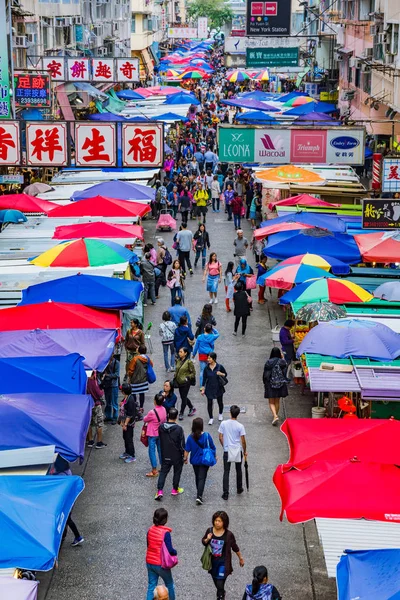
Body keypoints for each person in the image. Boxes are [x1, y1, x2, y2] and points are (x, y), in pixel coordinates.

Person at [202, 511, 244, 600]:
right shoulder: (209, 531)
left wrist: (240, 558)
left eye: (219, 521)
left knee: (220, 583)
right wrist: (207, 539)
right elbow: (204, 542)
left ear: (224, 522)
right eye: (216, 520)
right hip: (212, 563)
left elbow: (235, 547)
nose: (217, 523)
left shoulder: (229, 535)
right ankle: (221, 592)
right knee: (216, 581)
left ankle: (220, 597)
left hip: (223, 563)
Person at [49, 455, 84, 547]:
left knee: (66, 519)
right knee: (67, 519)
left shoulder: (61, 475)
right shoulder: (67, 471)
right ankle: (76, 536)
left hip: (64, 501)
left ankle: (77, 536)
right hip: (69, 500)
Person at [146, 508, 177, 600]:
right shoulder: (165, 533)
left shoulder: (150, 530)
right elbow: (170, 550)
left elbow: (148, 545)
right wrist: (175, 552)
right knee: (169, 584)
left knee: (151, 586)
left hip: (150, 562)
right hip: (161, 564)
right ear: (165, 520)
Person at [184, 417, 217, 504]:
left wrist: (185, 458)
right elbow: (212, 447)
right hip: (205, 460)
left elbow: (187, 449)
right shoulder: (206, 435)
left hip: (195, 461)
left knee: (197, 476)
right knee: (202, 477)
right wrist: (215, 456)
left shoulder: (190, 437)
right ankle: (199, 496)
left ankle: (199, 492)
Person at [155, 407, 185, 500]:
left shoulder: (161, 427)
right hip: (177, 455)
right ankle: (174, 489)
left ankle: (160, 491)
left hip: (165, 454)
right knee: (177, 472)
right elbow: (182, 444)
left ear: (168, 416)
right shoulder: (179, 429)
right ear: (176, 417)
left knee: (163, 472)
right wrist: (184, 455)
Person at [218, 405, 247, 500]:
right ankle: (239, 488)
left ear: (230, 412)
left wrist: (224, 446)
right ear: (238, 414)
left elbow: (220, 437)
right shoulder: (240, 426)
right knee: (238, 470)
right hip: (237, 450)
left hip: (227, 450)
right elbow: (243, 440)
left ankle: (225, 493)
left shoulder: (224, 423)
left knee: (226, 471)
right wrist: (245, 451)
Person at [144, 393, 167, 478]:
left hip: (152, 434)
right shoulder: (164, 409)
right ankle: (163, 466)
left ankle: (154, 470)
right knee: (160, 450)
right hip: (160, 433)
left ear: (155, 401)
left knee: (152, 451)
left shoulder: (152, 412)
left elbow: (145, 419)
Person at [263, 347, 288, 426]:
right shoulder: (282, 362)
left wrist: (265, 382)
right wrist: (282, 357)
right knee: (277, 401)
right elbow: (285, 368)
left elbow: (265, 374)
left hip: (271, 384)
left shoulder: (268, 362)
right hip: (280, 383)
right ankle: (275, 415)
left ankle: (275, 416)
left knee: (271, 402)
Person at [201, 352, 227, 425]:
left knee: (220, 401)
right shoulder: (206, 368)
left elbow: (225, 374)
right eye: (208, 358)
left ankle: (220, 414)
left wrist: (221, 373)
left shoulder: (219, 367)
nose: (208, 359)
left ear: (214, 359)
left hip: (218, 387)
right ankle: (211, 417)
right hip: (209, 387)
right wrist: (203, 388)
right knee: (209, 403)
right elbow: (204, 379)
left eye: (209, 358)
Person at [128, 345, 153, 410]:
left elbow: (131, 370)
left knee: (134, 393)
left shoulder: (135, 359)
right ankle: (141, 407)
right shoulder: (147, 358)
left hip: (135, 380)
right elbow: (151, 365)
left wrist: (129, 377)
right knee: (142, 394)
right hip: (144, 379)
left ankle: (135, 406)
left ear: (139, 351)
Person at [174, 347, 196, 420]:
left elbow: (193, 373)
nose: (179, 353)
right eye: (179, 352)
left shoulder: (189, 362)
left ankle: (181, 413)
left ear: (185, 353)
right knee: (183, 396)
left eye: (181, 352)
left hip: (186, 383)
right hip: (179, 382)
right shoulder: (178, 360)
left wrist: (187, 377)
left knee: (183, 398)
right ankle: (191, 407)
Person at [119, 382, 138, 463]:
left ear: (123, 391)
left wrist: (125, 424)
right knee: (125, 437)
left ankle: (132, 455)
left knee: (129, 439)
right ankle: (127, 452)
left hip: (129, 424)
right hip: (124, 422)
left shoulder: (130, 400)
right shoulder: (126, 397)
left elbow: (129, 415)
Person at [86, 371, 107, 449]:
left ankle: (90, 440)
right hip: (96, 404)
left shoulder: (84, 381)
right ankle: (99, 442)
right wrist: (102, 391)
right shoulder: (93, 382)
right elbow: (99, 393)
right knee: (99, 423)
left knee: (89, 423)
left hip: (88, 405)